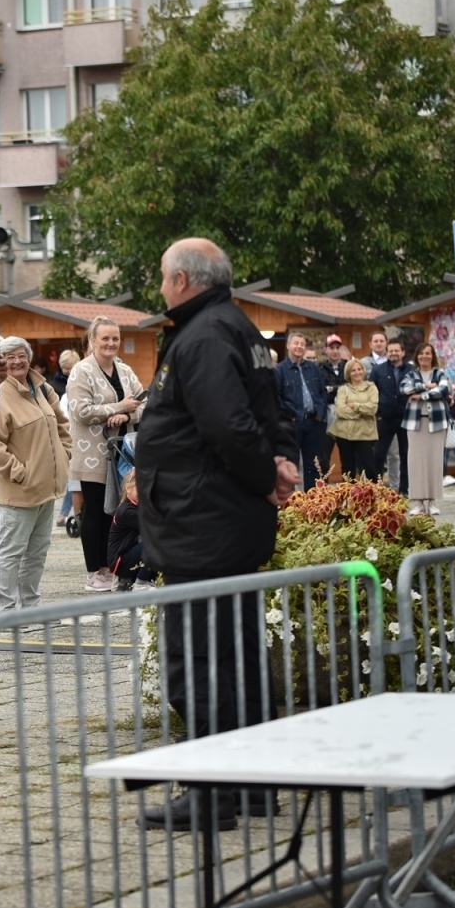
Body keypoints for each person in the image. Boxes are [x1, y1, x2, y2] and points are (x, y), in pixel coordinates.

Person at [135, 239, 299, 831]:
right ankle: (251, 787)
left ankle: (209, 794)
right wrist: (277, 461)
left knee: (197, 662)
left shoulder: (204, 335)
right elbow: (270, 413)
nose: (159, 288)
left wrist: (263, 478)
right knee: (239, 659)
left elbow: (229, 425)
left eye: (162, 277)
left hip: (203, 522)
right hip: (218, 520)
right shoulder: (240, 328)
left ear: (182, 279)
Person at [0, 335, 71, 612]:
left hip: (47, 488)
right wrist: (19, 472)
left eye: (21, 355)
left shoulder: (43, 389)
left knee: (36, 553)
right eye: (9, 357)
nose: (17, 361)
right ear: (1, 362)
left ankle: (32, 607)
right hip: (18, 490)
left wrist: (64, 454)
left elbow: (62, 424)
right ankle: (6, 610)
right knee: (11, 552)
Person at [66, 316, 147, 593]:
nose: (111, 343)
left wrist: (125, 411)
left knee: (115, 511)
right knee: (94, 511)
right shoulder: (81, 371)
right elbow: (80, 411)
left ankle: (111, 566)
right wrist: (116, 407)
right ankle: (94, 571)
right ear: (93, 341)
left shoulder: (124, 370)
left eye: (115, 338)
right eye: (105, 338)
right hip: (92, 453)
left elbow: (143, 402)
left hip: (121, 453)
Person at [400, 342, 452, 516]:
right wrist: (428, 387)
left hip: (437, 423)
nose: (424, 356)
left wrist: (420, 395)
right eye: (421, 353)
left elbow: (443, 390)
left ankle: (433, 501)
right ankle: (417, 502)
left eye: (428, 353)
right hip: (415, 424)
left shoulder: (440, 373)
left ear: (433, 356)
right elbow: (405, 388)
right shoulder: (411, 374)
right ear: (417, 356)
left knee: (434, 461)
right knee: (415, 462)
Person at [274, 331, 329, 490]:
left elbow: (322, 392)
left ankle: (311, 502)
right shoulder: (280, 370)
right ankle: (291, 504)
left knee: (313, 465)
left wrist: (321, 411)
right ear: (288, 345)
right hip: (293, 423)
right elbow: (276, 397)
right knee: (292, 464)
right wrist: (290, 417)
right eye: (296, 343)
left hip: (314, 422)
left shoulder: (313, 368)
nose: (299, 347)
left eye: (302, 344)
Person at [329, 359, 378, 479]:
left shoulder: (371, 387)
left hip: (365, 433)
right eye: (353, 370)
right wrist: (360, 413)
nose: (357, 372)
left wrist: (355, 406)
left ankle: (373, 496)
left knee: (369, 468)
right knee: (347, 469)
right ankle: (349, 496)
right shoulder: (342, 389)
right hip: (344, 433)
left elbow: (372, 409)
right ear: (348, 374)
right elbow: (340, 410)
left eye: (359, 369)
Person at [370, 340, 410, 489]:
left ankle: (404, 489)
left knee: (405, 455)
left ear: (403, 352)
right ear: (386, 353)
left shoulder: (411, 370)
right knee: (378, 455)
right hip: (384, 418)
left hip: (405, 418)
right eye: (391, 351)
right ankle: (377, 488)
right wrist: (378, 413)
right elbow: (372, 392)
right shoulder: (378, 370)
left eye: (396, 350)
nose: (393, 353)